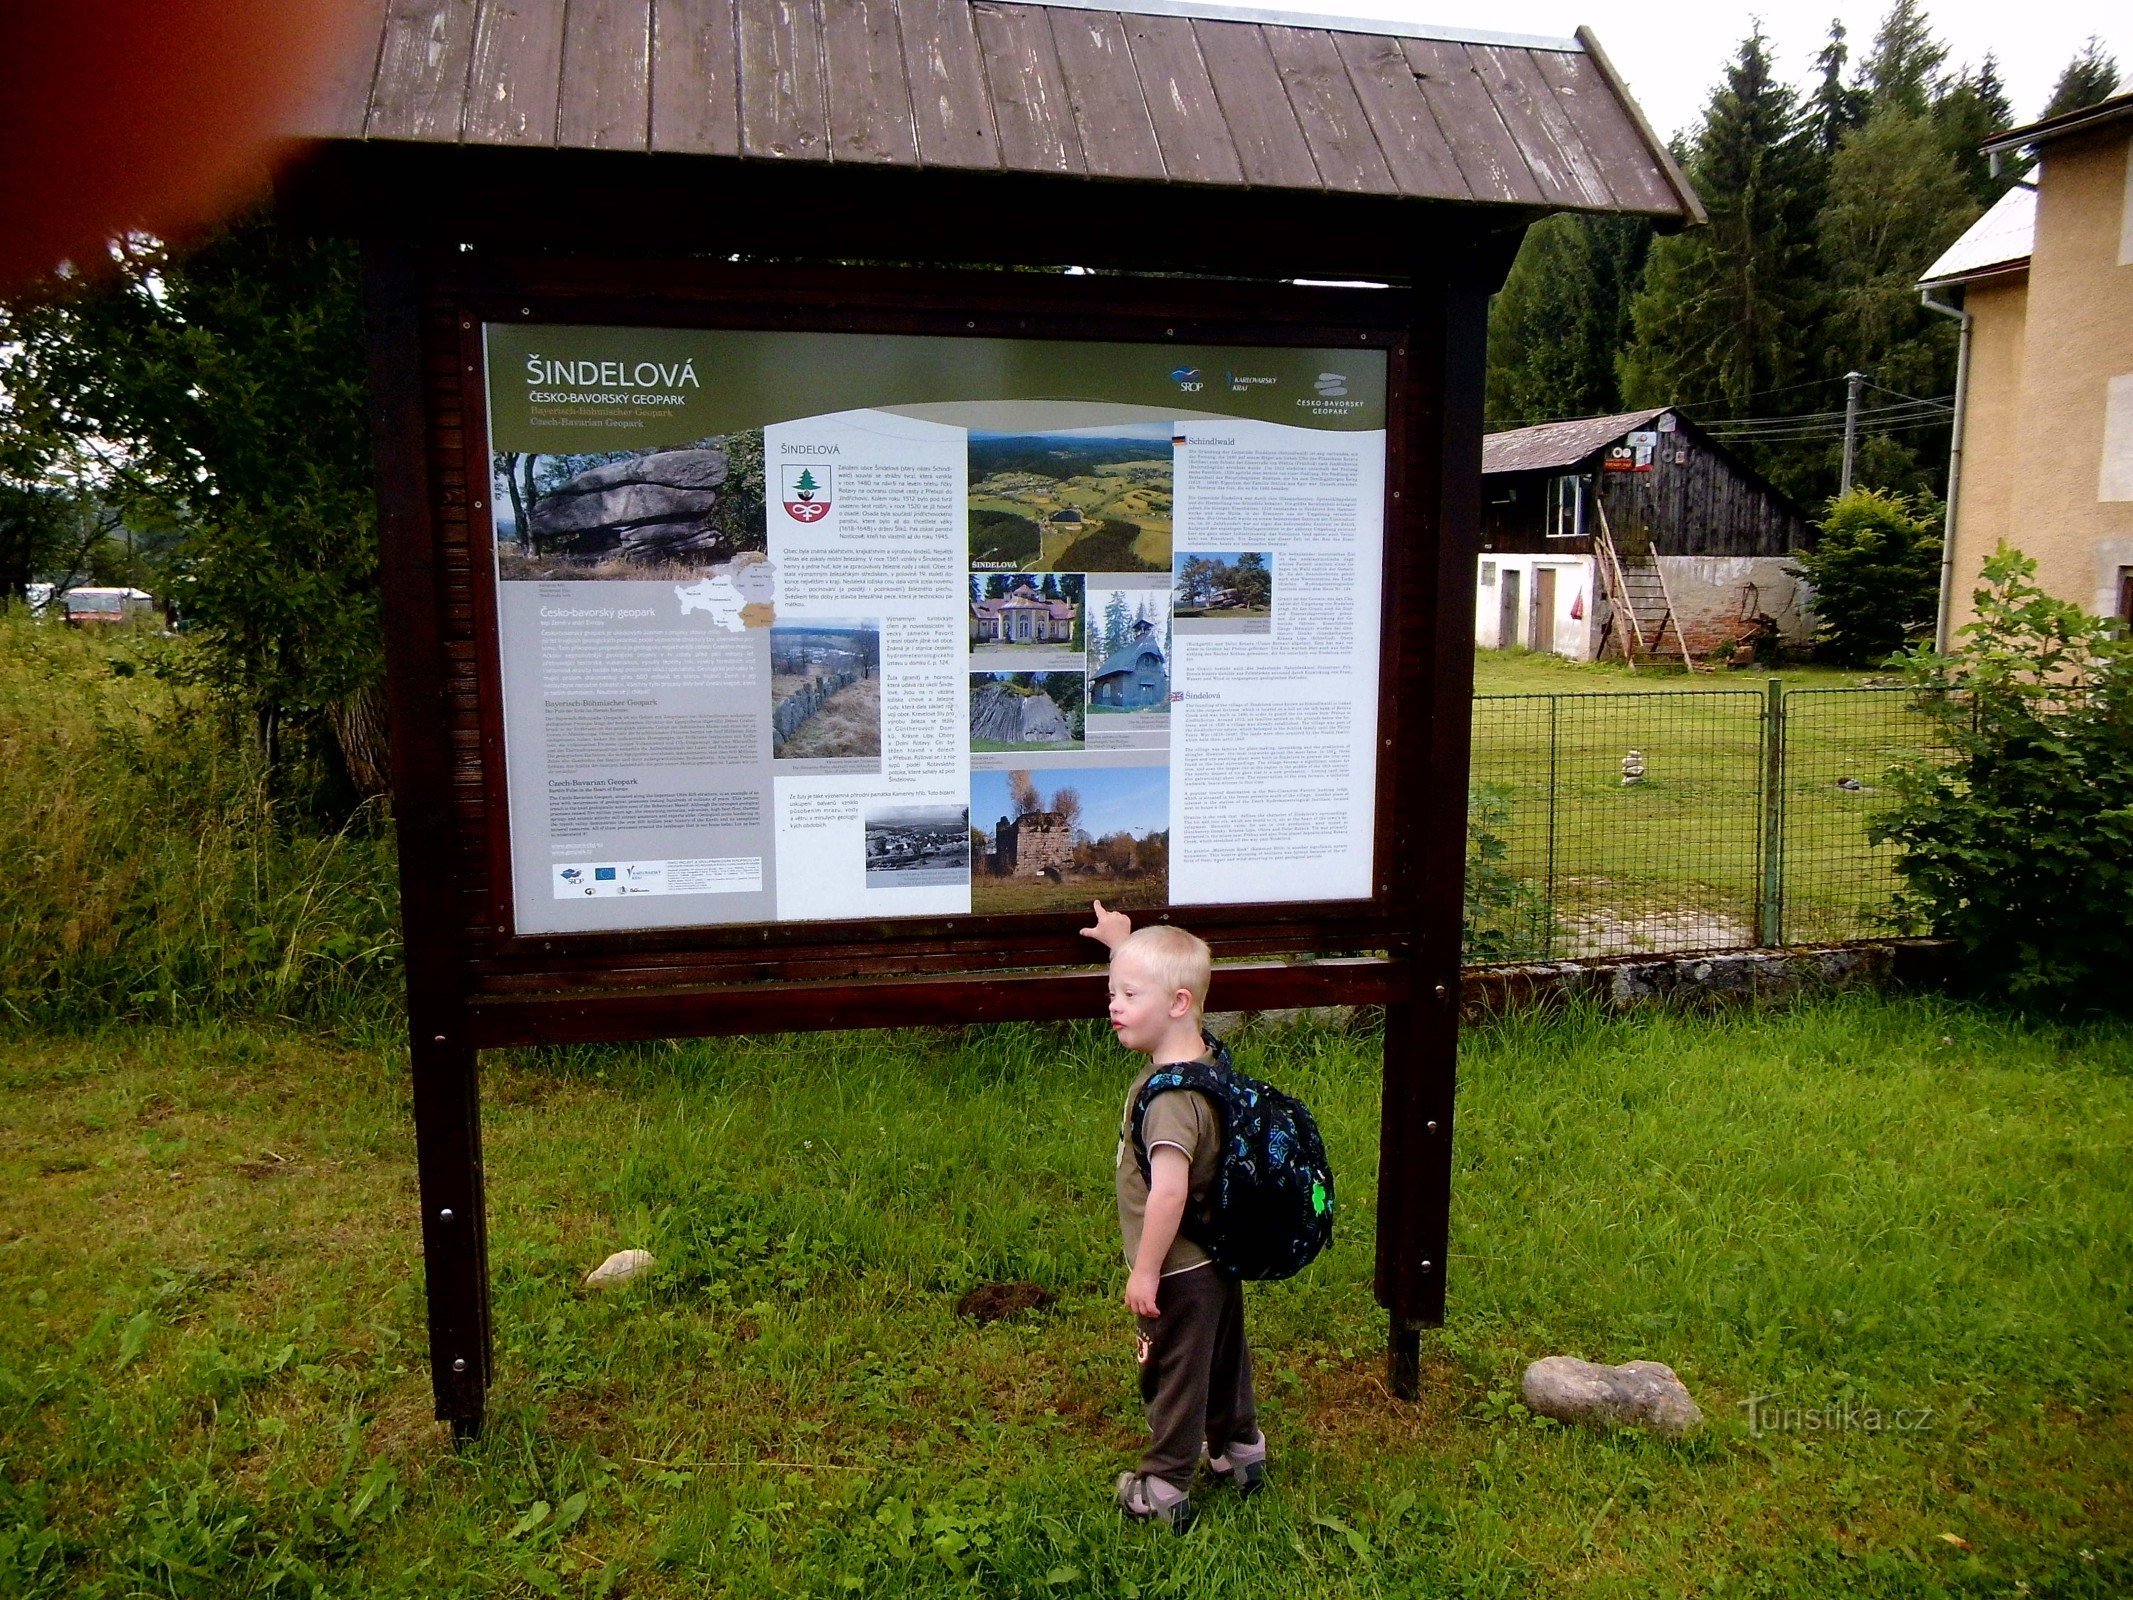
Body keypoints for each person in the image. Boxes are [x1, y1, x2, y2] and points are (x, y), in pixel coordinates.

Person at [1081, 900, 1267, 1533]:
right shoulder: (1206, 1058)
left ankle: (1164, 1484)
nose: (1115, 1005)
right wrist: (1123, 945)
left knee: (1173, 1372)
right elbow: (1157, 986)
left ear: (1178, 1003)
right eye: (1115, 992)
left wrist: (1146, 1272)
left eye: (1127, 994)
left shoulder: (1171, 1103)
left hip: (1179, 1266)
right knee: (1222, 1356)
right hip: (1218, 1253)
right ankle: (1240, 1452)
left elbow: (1168, 1194)